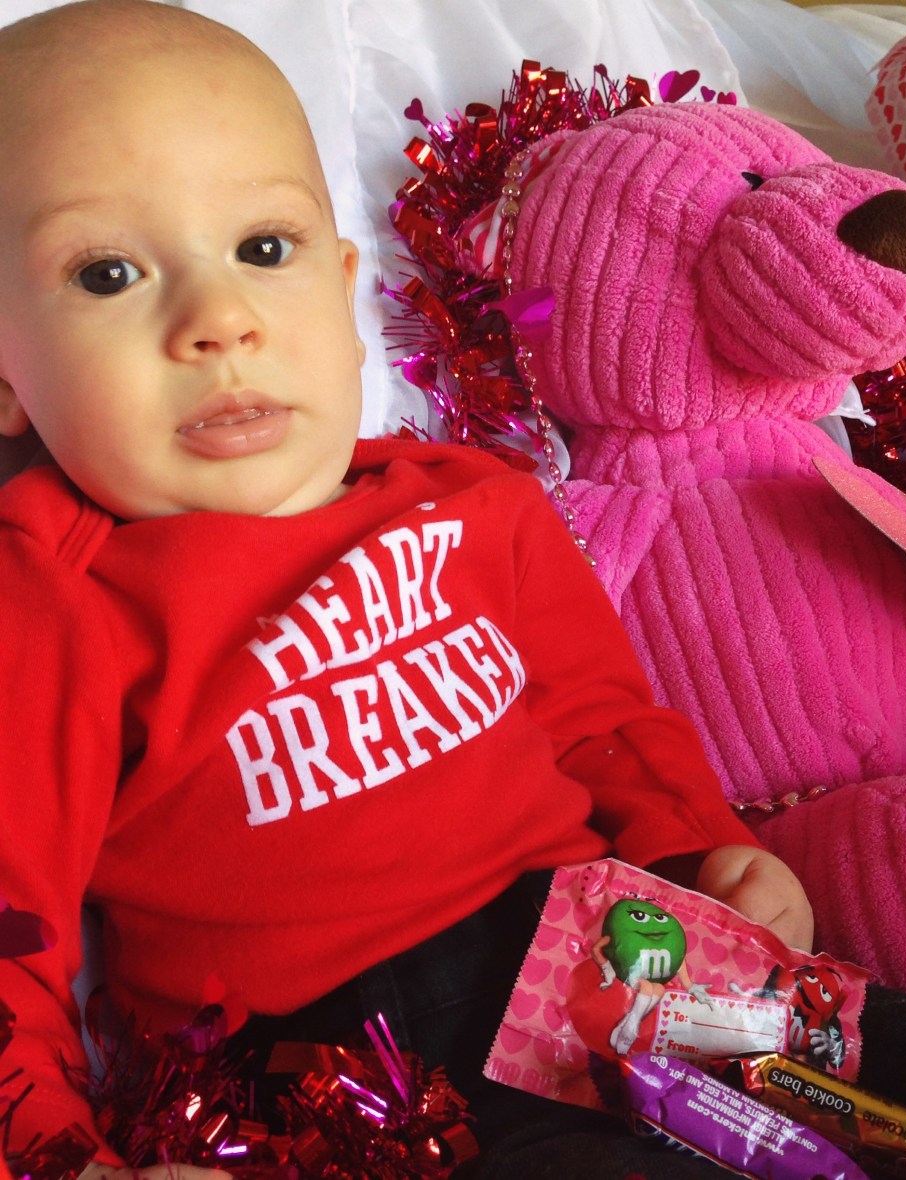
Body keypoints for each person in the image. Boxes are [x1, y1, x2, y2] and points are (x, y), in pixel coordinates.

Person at [0, 3, 813, 1177]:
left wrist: (705, 856)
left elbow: (599, 723)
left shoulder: (472, 500)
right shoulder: (56, 591)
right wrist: (58, 1157)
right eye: (107, 273)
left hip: (595, 946)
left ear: (343, 291)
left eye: (263, 250)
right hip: (336, 1065)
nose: (219, 322)